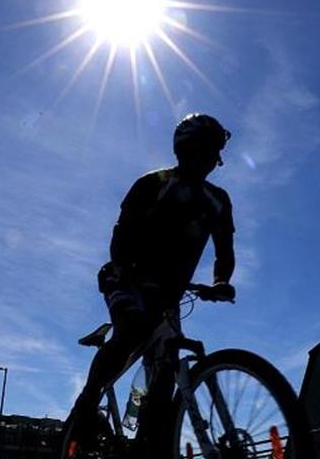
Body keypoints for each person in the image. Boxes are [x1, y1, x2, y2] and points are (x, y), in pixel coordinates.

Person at [73, 113, 237, 435]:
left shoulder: (218, 201)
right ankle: (86, 406)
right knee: (131, 330)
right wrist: (127, 270)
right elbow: (120, 236)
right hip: (126, 278)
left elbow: (225, 252)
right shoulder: (153, 184)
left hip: (168, 295)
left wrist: (221, 282)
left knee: (164, 378)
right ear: (185, 150)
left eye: (215, 153)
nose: (211, 161)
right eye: (205, 151)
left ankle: (151, 453)